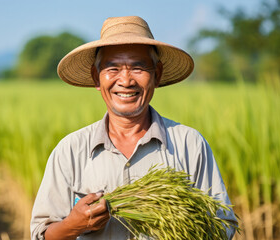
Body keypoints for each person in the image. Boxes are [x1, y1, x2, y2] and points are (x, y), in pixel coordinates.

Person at [31, 16, 237, 239]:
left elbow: (222, 225)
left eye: (138, 68)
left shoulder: (189, 144)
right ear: (96, 78)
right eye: (113, 68)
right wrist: (75, 224)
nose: (126, 80)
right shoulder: (71, 150)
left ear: (156, 75)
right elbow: (42, 234)